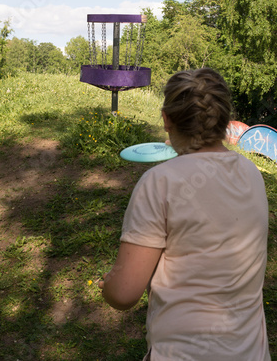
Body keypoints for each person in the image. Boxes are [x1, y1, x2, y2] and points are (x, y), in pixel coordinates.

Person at [99, 68, 270, 361]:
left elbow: (125, 293)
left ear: (166, 119)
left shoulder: (159, 182)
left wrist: (109, 285)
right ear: (224, 120)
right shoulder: (252, 174)